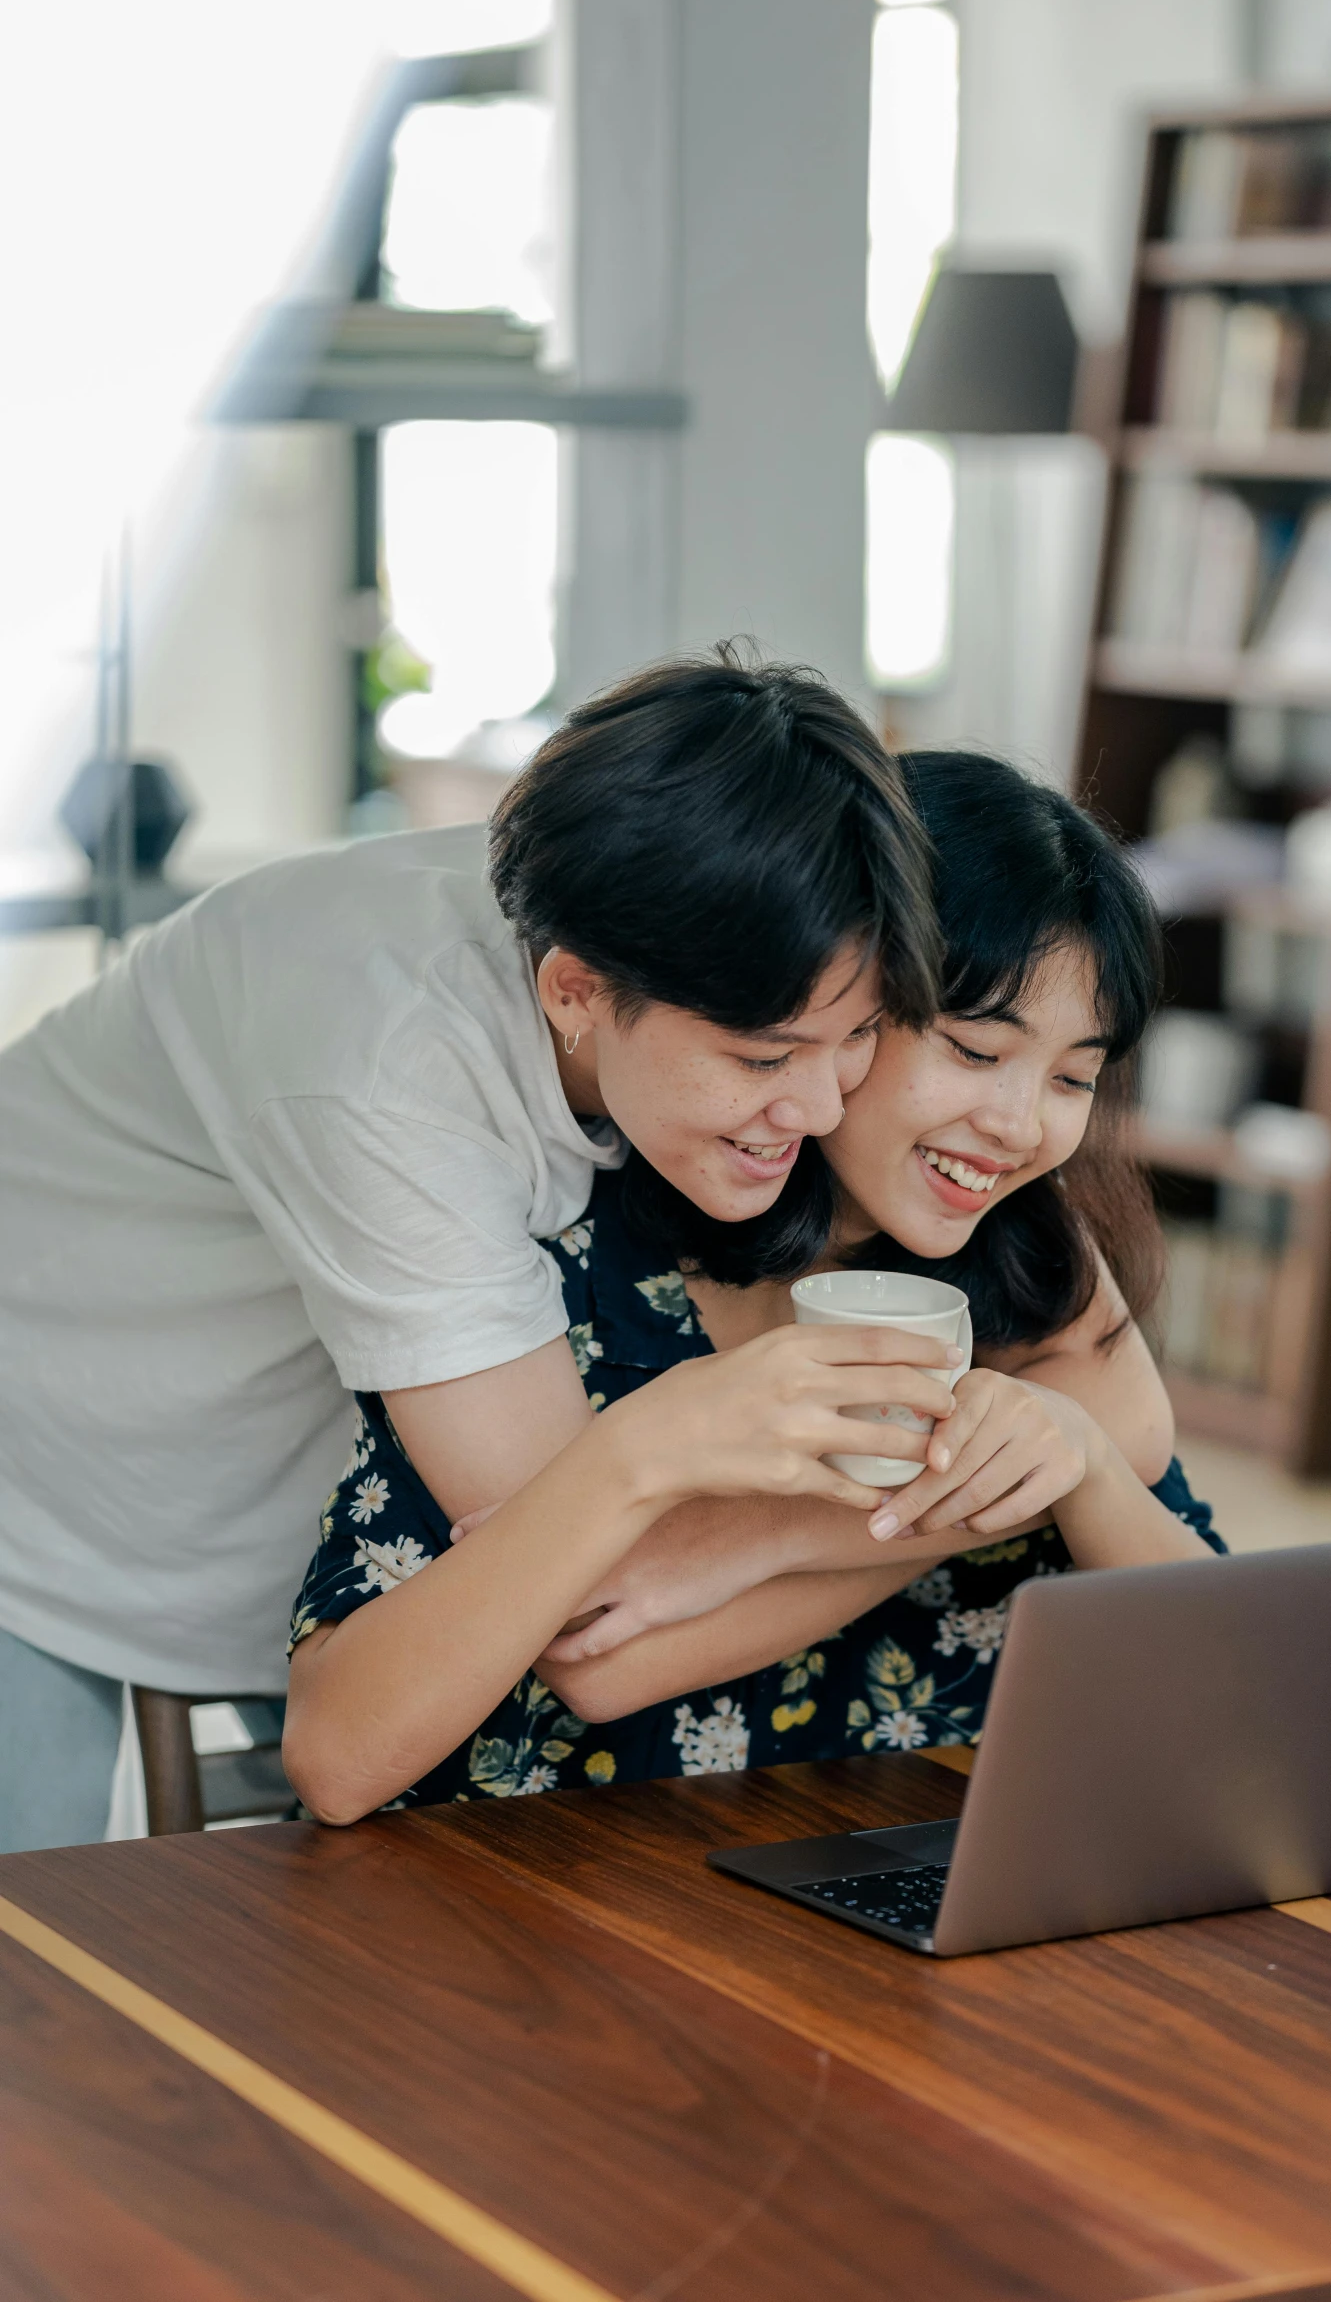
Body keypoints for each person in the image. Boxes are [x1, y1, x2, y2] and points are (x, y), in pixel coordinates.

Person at [0, 650, 943, 1851]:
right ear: (574, 991)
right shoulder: (386, 1073)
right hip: (49, 1436)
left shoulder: (672, 928)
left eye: (856, 1038)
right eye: (765, 1060)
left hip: (307, 1456)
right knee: (36, 1946)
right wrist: (974, 1501)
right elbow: (587, 1576)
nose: (819, 1109)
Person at [282, 753, 1223, 1819]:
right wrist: (969, 1499)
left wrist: (1075, 1463)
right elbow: (572, 1667)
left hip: (890, 1923)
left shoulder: (1021, 1257)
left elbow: (1233, 1685)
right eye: (971, 1048)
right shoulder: (563, 1269)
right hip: (531, 1923)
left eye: (1073, 1079)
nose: (1019, 1125)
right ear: (846, 999)